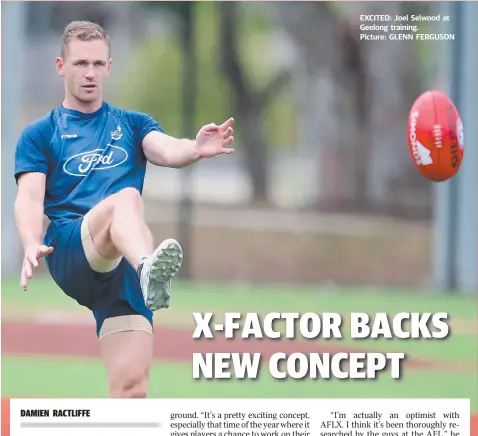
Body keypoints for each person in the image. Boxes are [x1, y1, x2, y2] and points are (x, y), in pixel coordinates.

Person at [13, 20, 235, 398]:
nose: (90, 73)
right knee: (127, 199)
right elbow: (30, 198)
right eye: (81, 63)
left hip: (124, 270)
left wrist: (195, 148)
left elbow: (165, 149)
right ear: (60, 66)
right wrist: (31, 241)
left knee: (132, 389)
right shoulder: (40, 133)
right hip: (71, 249)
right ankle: (150, 269)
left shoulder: (132, 124)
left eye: (99, 64)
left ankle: (146, 272)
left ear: (110, 67)